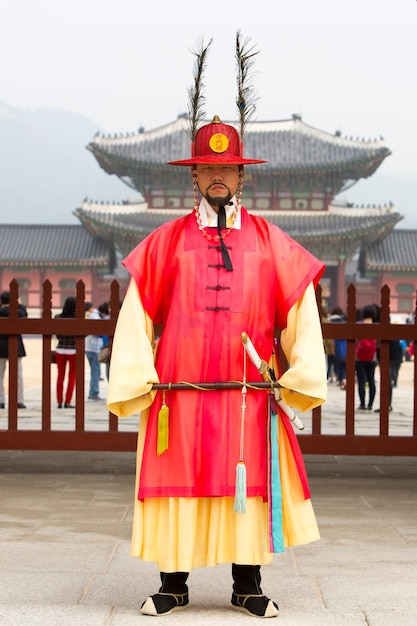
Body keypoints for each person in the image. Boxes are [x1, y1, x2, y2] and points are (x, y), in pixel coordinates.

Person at [107, 37, 327, 619]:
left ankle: (247, 584)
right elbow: (137, 315)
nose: (218, 177)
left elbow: (300, 305)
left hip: (246, 398)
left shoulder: (269, 243)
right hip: (177, 395)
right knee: (175, 484)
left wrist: (299, 371)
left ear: (242, 175)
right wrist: (138, 375)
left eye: (228, 167)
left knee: (246, 491)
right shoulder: (165, 243)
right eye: (208, 167)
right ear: (195, 176)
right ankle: (173, 584)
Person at [0, 291, 27, 409]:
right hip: (15, 344)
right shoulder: (18, 312)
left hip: (0, 345)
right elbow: (24, 315)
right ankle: (19, 400)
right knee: (18, 375)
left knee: (0, 375)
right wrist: (18, 304)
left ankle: (0, 400)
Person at [54, 296, 77, 409]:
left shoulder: (58, 317)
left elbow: (56, 334)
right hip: (74, 349)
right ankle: (68, 401)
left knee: (60, 376)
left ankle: (59, 401)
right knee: (72, 376)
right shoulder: (78, 318)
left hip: (61, 348)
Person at [355, 304, 377, 410]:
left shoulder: (358, 325)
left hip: (359, 358)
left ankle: (362, 403)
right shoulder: (377, 326)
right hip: (372, 358)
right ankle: (370, 404)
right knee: (371, 381)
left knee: (362, 381)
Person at [85, 301, 104, 401]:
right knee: (96, 372)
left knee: (94, 371)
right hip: (93, 348)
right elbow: (97, 331)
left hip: (89, 347)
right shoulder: (95, 316)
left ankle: (93, 392)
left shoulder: (91, 316)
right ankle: (93, 393)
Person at [329, 306, 347, 389]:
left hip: (333, 346)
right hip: (344, 345)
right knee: (344, 365)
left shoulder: (329, 322)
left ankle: (340, 379)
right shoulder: (344, 322)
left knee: (335, 365)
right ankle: (343, 379)